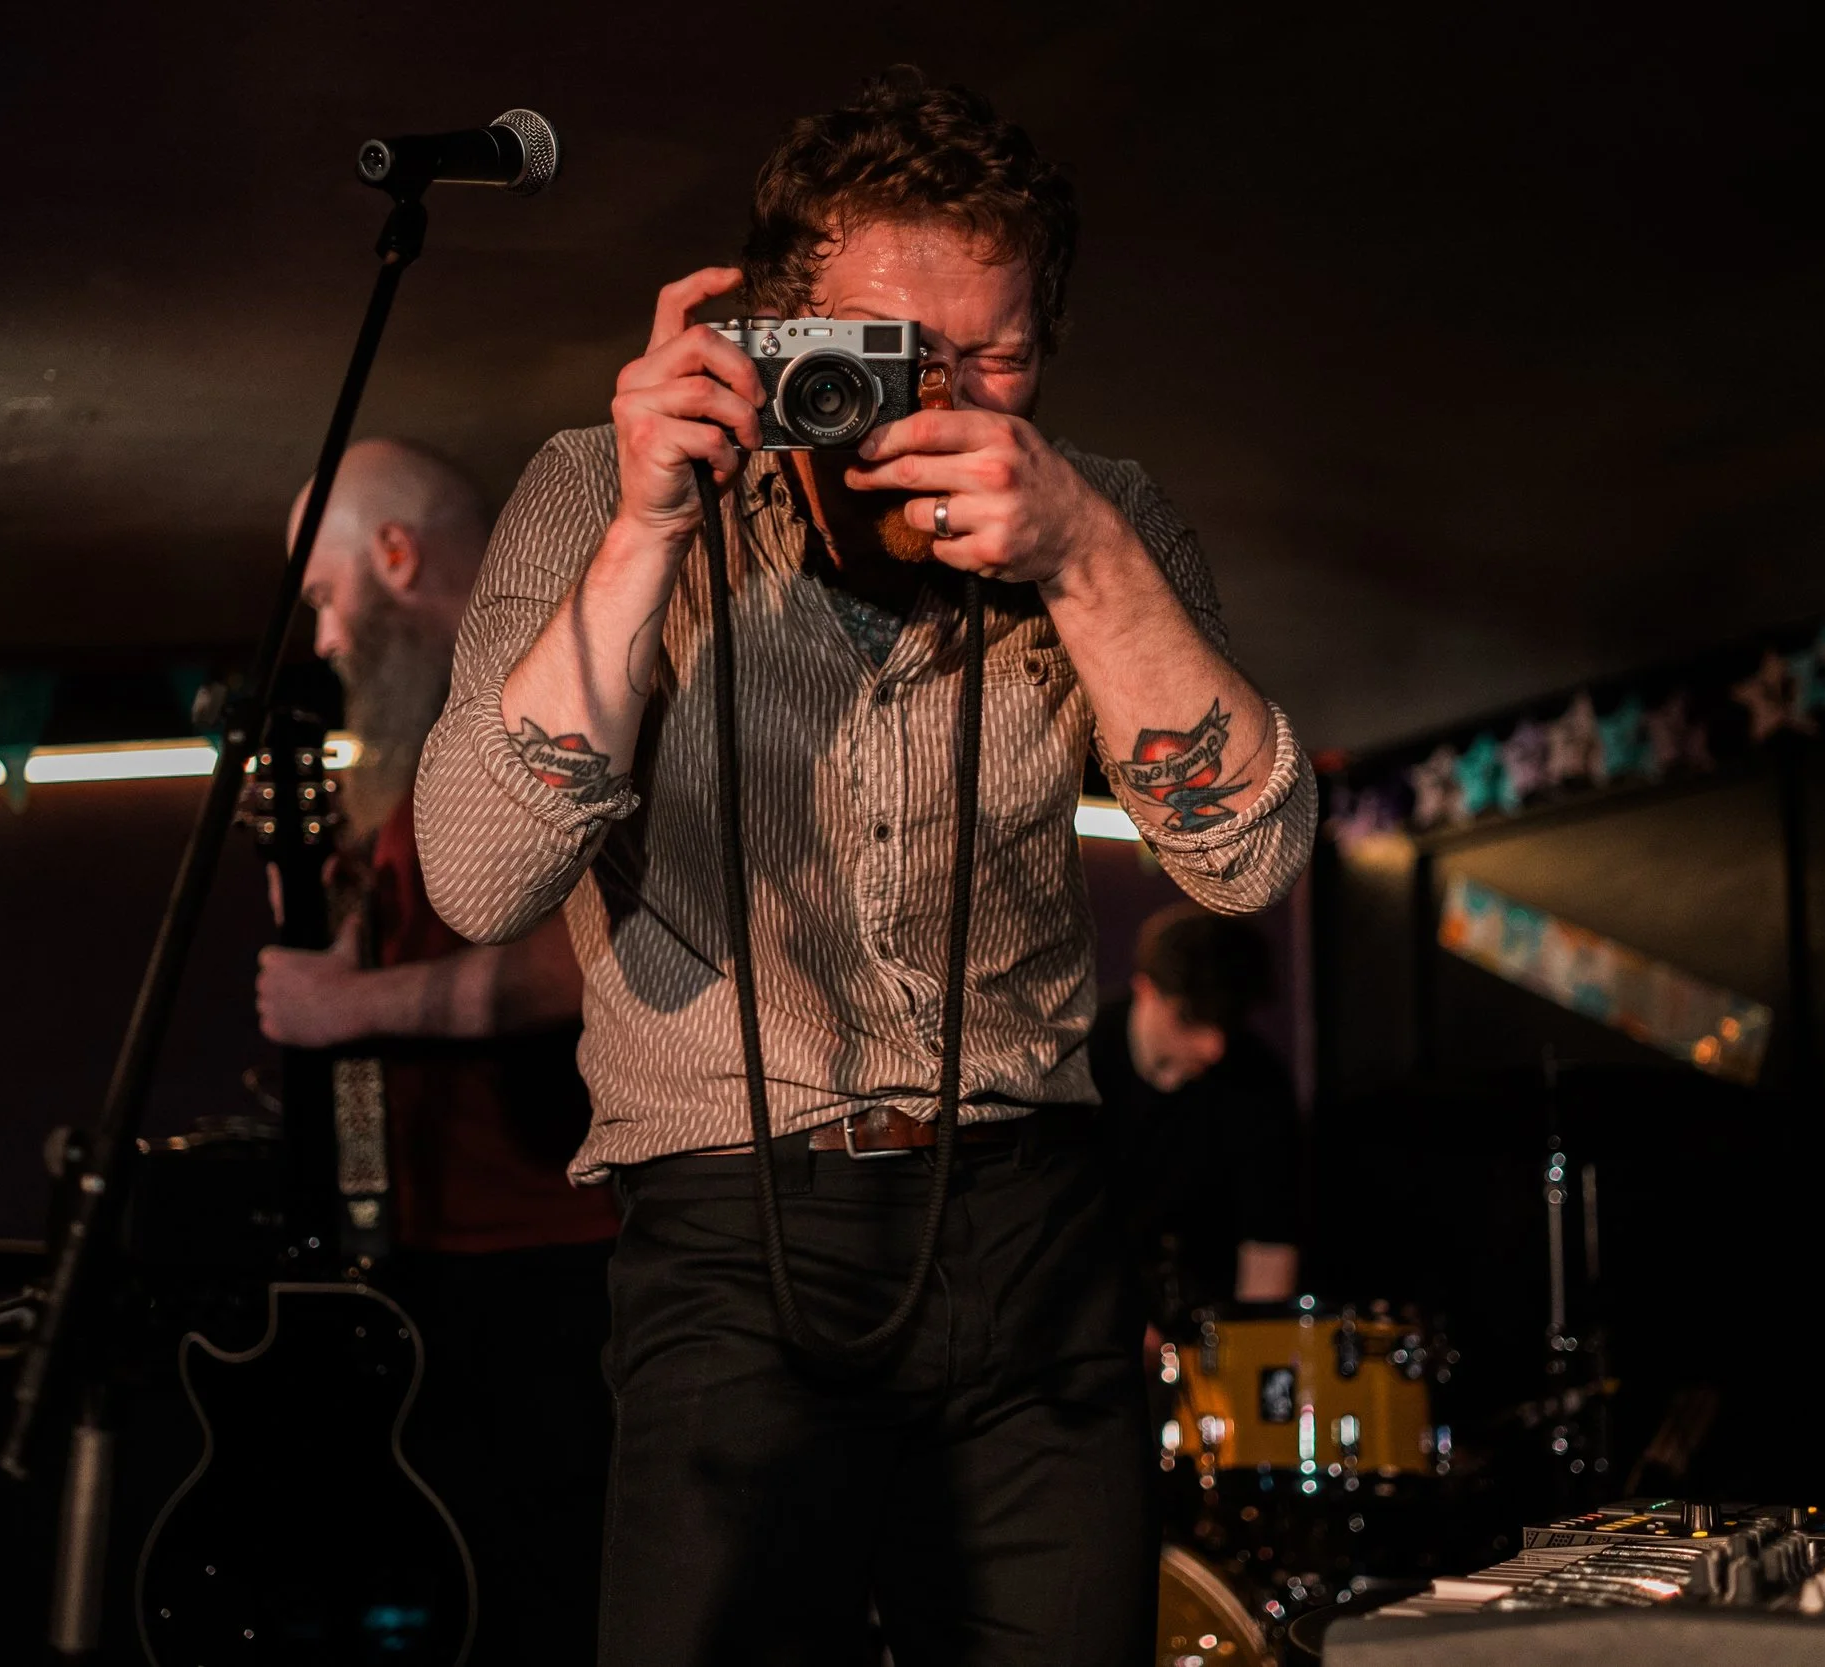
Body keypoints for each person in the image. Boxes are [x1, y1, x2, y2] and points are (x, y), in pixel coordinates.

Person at [416, 71, 1317, 1666]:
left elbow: (1248, 866)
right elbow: (477, 876)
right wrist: (643, 532)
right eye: (894, 351)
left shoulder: (1106, 519)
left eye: (998, 356)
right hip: (731, 1228)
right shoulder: (595, 487)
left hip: (1034, 1222)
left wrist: (1085, 558)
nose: (940, 397)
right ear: (770, 333)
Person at [251, 437, 621, 1667]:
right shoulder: (422, 752)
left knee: (544, 1601)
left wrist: (344, 1009)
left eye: (324, 595)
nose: (322, 641)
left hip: (555, 1267)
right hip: (454, 1260)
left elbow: (580, 968)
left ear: (396, 555)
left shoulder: (542, 698)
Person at [1089, 902, 1303, 1336]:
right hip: (1087, 1316)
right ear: (1145, 990)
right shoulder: (1079, 1056)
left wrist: (1245, 1351)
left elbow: (1268, 1245)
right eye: (1191, 1019)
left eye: (1227, 1023)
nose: (1213, 1047)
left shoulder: (1258, 1080)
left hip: (1210, 1323)